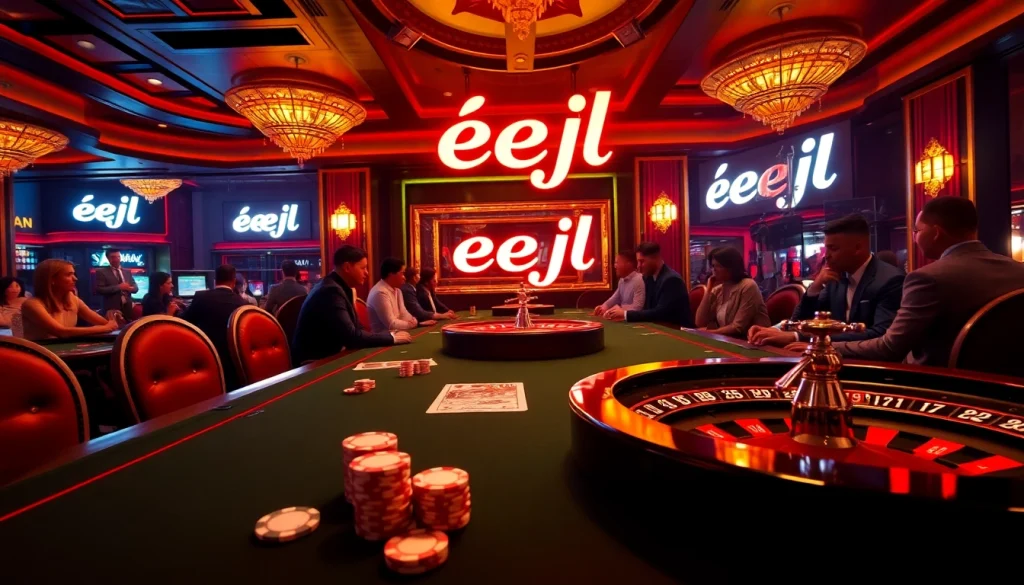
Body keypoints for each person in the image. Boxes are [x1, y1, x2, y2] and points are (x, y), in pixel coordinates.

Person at [833, 197, 1024, 367]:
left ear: (936, 233)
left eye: (916, 230)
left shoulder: (927, 279)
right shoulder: (1019, 270)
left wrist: (824, 346)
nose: (914, 237)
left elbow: (889, 348)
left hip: (942, 388)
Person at [748, 215, 905, 350]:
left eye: (833, 249)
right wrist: (815, 287)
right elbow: (801, 320)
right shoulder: (835, 277)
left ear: (858, 248)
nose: (826, 256)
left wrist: (800, 338)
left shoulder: (891, 280)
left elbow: (880, 333)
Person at [291, 246, 410, 364]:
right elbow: (351, 336)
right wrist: (391, 338)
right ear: (347, 267)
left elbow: (357, 329)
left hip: (333, 356)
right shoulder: (330, 291)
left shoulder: (340, 287)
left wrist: (389, 335)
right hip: (314, 364)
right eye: (363, 268)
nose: (367, 273)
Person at [183, 265, 248, 390]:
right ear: (234, 281)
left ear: (215, 280)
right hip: (234, 360)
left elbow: (186, 322)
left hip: (204, 355)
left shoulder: (201, 297)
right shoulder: (243, 303)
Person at [20, 259, 119, 340]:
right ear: (52, 280)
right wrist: (104, 328)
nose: (75, 278)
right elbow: (61, 332)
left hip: (67, 353)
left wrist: (111, 319)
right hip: (42, 356)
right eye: (68, 275)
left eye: (74, 274)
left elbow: (106, 324)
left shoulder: (73, 300)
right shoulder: (32, 304)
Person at [604, 242, 691, 327]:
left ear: (656, 259)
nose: (638, 266)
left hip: (678, 331)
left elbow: (660, 313)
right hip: (659, 326)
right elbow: (647, 309)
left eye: (642, 262)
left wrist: (625, 314)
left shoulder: (671, 280)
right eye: (638, 262)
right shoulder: (648, 278)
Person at [694, 246, 770, 338]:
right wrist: (708, 290)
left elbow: (738, 327)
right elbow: (700, 322)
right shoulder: (718, 290)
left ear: (731, 267)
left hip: (754, 343)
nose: (714, 270)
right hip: (730, 341)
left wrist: (710, 333)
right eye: (713, 266)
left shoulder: (748, 285)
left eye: (719, 266)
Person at [367, 257, 432, 334]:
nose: (404, 278)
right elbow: (391, 325)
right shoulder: (380, 293)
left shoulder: (398, 290)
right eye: (402, 273)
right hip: (382, 339)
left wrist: (414, 321)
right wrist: (412, 324)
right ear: (391, 274)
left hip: (397, 334)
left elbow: (403, 313)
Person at [593, 250, 645, 318]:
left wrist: (620, 309)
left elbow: (638, 307)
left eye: (617, 263)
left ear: (628, 264)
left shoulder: (639, 279)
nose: (615, 266)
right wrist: (602, 307)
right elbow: (614, 298)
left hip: (634, 320)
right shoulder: (621, 280)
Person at [94, 248, 137, 319]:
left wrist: (131, 288)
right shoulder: (101, 272)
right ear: (108, 258)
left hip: (128, 308)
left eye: (118, 256)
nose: (117, 259)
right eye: (113, 257)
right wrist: (119, 287)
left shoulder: (127, 272)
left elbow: (135, 287)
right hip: (112, 309)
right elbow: (100, 289)